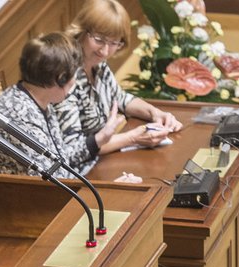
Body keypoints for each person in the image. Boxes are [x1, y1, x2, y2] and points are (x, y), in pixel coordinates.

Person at [0, 32, 121, 259]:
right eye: (74, 72)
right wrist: (115, 191)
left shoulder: (37, 96)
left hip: (24, 212)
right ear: (61, 77)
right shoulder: (21, 118)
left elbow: (57, 161)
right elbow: (57, 188)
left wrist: (99, 139)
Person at [61, 0, 183, 154]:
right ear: (81, 31)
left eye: (114, 43)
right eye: (99, 40)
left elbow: (119, 98)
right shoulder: (65, 75)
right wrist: (132, 138)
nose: (105, 51)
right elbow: (74, 149)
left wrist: (155, 113)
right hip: (79, 169)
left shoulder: (99, 65)